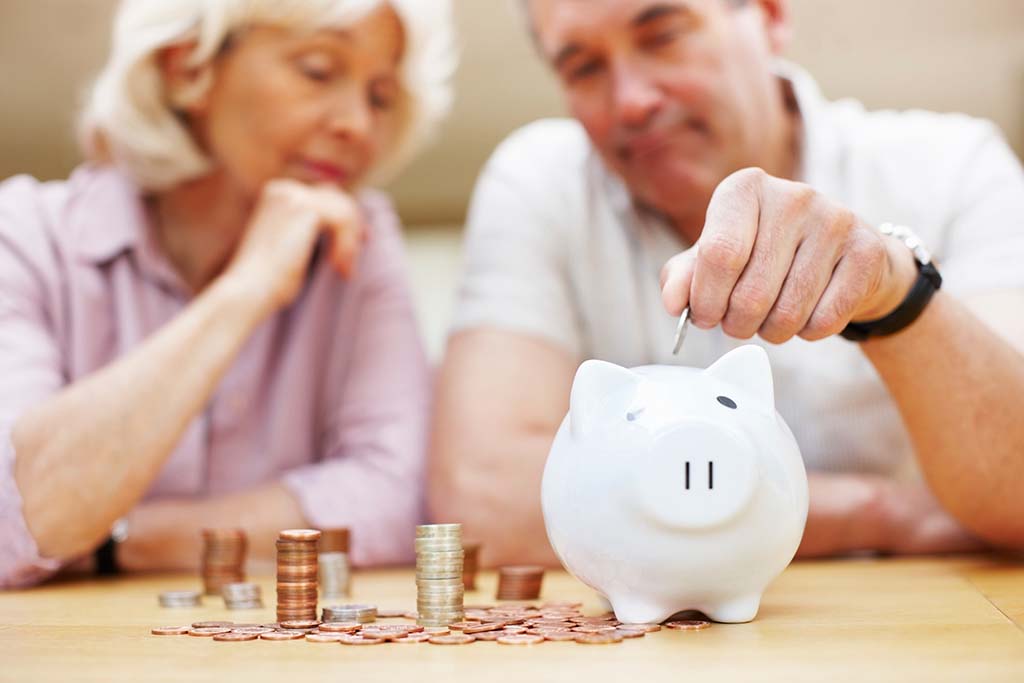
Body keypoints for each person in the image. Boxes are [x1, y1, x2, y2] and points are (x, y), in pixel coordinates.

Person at [430, 0, 1024, 566]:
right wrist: (885, 513)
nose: (631, 101)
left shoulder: (955, 167)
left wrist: (895, 295)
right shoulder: (539, 184)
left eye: (663, 35)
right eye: (583, 66)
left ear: (768, 15)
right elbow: (486, 500)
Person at [0, 0, 455, 588]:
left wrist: (114, 538)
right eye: (318, 70)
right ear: (187, 68)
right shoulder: (23, 235)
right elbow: (16, 516)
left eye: (380, 96)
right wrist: (247, 286)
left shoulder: (359, 237)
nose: (358, 125)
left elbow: (395, 502)